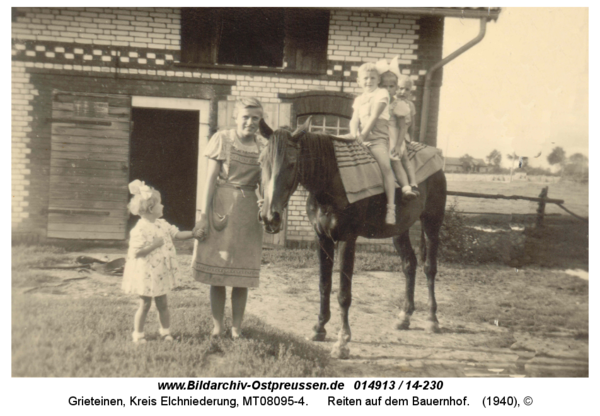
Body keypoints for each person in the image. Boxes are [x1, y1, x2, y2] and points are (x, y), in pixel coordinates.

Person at [192, 97, 266, 339]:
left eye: (255, 118)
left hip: (248, 213)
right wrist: (203, 217)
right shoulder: (222, 139)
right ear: (236, 117)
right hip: (221, 207)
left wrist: (266, 203)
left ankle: (236, 328)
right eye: (246, 116)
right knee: (218, 272)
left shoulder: (264, 146)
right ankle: (217, 327)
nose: (250, 122)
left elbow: (266, 184)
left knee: (242, 274)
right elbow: (210, 180)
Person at [122, 180, 194, 344]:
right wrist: (153, 245)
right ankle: (138, 334)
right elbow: (136, 252)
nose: (162, 206)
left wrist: (194, 233)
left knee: (163, 303)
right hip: (146, 274)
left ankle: (165, 332)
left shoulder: (163, 224)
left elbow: (177, 234)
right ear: (150, 208)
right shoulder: (139, 229)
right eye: (160, 204)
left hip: (160, 272)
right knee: (145, 304)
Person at [350, 62, 397, 224]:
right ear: (359, 81)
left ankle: (391, 208)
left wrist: (362, 137)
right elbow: (354, 120)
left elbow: (374, 117)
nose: (368, 81)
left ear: (378, 80)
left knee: (385, 166)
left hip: (377, 140)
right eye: (365, 78)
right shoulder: (359, 99)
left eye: (372, 78)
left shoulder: (382, 93)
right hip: (360, 138)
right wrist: (354, 134)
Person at [379, 68, 420, 200]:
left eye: (391, 86)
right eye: (384, 86)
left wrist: (408, 141)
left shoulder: (400, 104)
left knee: (399, 158)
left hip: (396, 135)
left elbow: (408, 126)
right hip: (383, 133)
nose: (403, 92)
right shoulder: (382, 101)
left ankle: (410, 185)